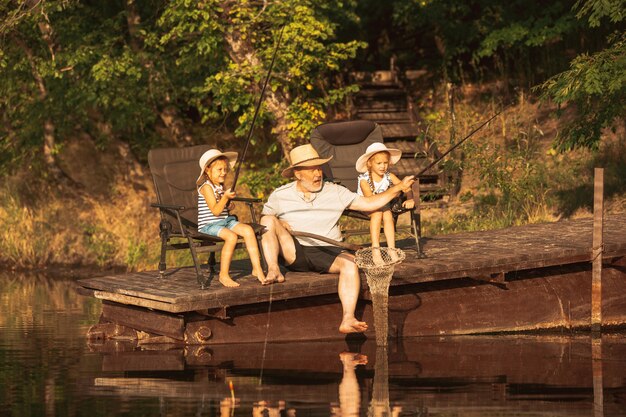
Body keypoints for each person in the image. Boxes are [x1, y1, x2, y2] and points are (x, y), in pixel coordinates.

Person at [260, 144, 414, 334]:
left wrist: (398, 188)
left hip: (328, 249)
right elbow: (264, 220)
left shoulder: (335, 191)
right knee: (268, 219)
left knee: (350, 264)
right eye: (312, 170)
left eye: (319, 168)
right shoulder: (280, 195)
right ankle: (274, 269)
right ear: (298, 173)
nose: (318, 174)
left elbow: (368, 203)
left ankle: (348, 318)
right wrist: (279, 220)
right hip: (294, 249)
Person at [196, 149, 269, 287]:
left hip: (225, 221)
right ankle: (223, 275)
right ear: (207, 170)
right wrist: (225, 198)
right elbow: (216, 211)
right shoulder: (206, 188)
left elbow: (223, 208)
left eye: (225, 169)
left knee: (248, 230)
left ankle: (257, 268)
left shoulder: (220, 186)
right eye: (219, 169)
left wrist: (229, 205)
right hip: (209, 225)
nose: (224, 172)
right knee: (231, 237)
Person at [355, 142, 415, 261]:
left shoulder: (389, 176)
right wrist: (393, 193)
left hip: (383, 205)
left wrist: (410, 198)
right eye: (379, 163)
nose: (383, 166)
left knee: (387, 214)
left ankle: (391, 250)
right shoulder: (364, 180)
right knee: (378, 213)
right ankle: (375, 249)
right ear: (369, 163)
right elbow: (370, 201)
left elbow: (406, 187)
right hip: (366, 204)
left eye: (385, 163)